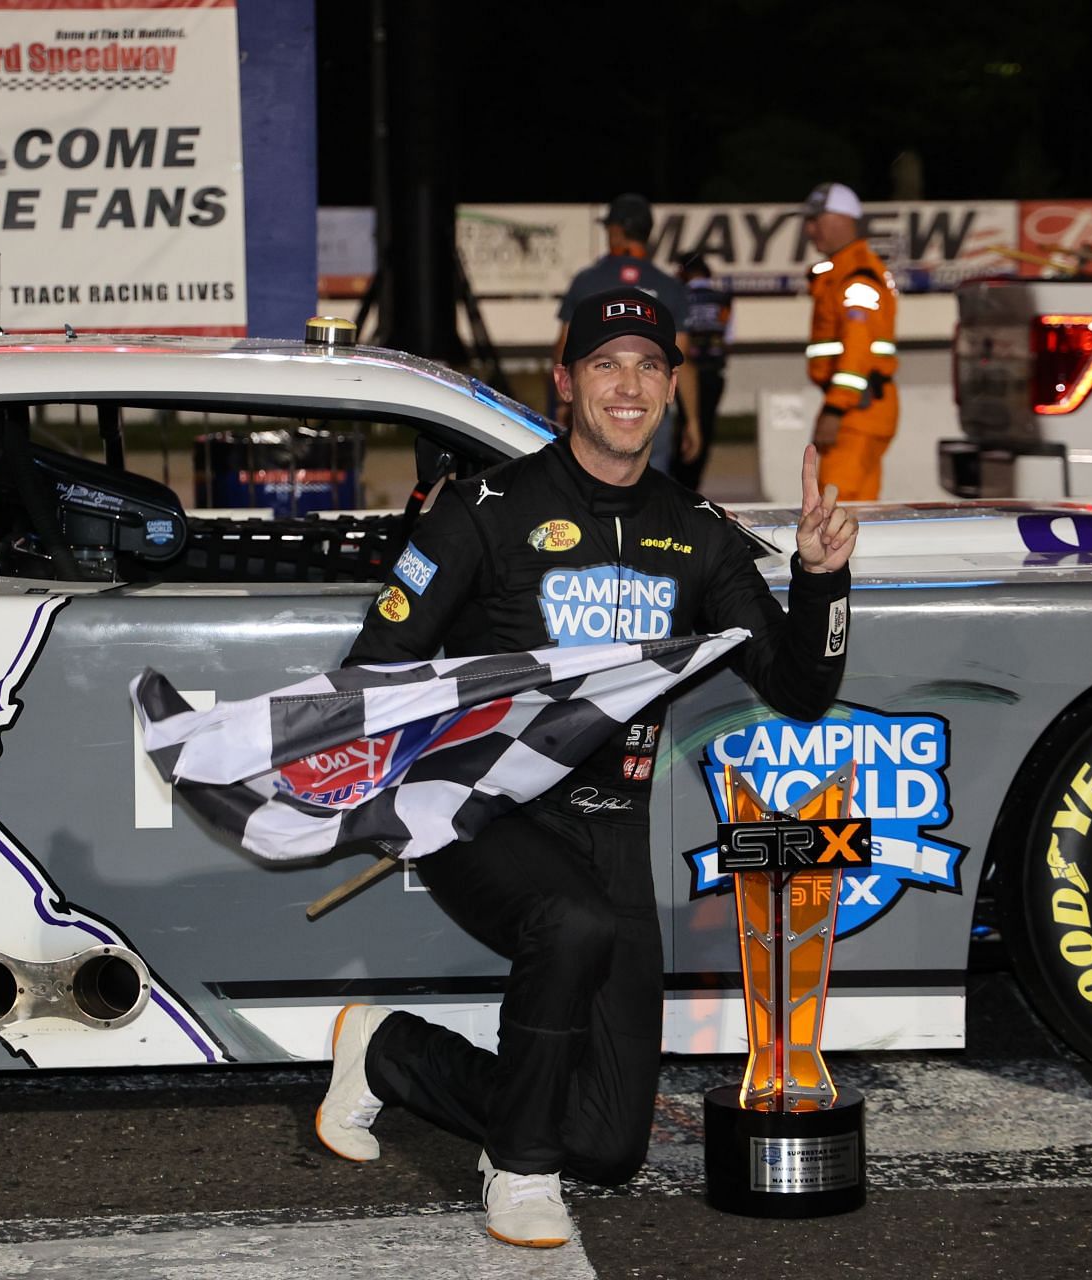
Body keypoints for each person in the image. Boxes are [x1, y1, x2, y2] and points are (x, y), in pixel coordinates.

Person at [316, 288, 857, 1248]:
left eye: (650, 365)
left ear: (672, 391)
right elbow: (370, 671)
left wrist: (819, 577)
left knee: (608, 1146)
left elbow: (800, 687)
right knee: (563, 920)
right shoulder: (484, 510)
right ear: (565, 384)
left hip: (613, 830)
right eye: (606, 363)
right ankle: (519, 1174)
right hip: (480, 811)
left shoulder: (700, 533)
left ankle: (388, 1052)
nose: (629, 384)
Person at [554, 193, 700, 476]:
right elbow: (683, 361)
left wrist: (563, 400)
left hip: (597, 405)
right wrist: (693, 420)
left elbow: (563, 347)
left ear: (616, 231)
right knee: (651, 493)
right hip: (649, 408)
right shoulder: (669, 287)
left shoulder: (587, 281)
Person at [802, 181, 899, 500]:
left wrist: (835, 409)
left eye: (816, 219)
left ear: (842, 218)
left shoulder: (856, 276)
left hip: (856, 411)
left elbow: (858, 348)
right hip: (859, 407)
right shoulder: (845, 272)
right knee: (855, 510)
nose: (809, 228)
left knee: (837, 508)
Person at [672, 250, 732, 492]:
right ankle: (693, 484)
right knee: (704, 429)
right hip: (714, 372)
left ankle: (680, 481)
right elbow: (729, 334)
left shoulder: (681, 296)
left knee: (684, 426)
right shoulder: (723, 298)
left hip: (686, 371)